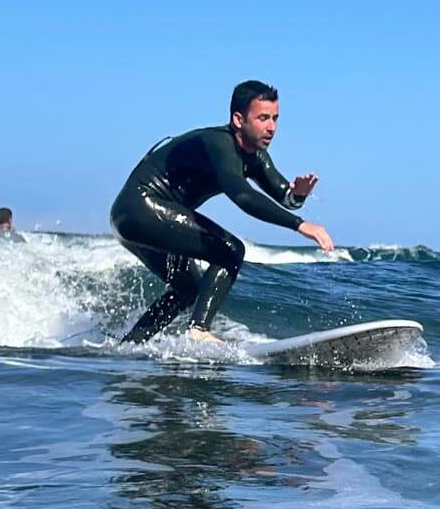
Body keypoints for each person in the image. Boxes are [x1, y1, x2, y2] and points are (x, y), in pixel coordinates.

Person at [110, 80, 334, 344]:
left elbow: (284, 195)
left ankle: (131, 344)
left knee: (188, 288)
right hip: (140, 208)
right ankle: (198, 331)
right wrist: (299, 224)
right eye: (263, 118)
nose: (271, 127)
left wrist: (298, 194)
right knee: (230, 250)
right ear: (238, 119)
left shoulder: (255, 156)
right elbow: (242, 195)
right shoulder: (220, 144)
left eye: (275, 118)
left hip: (130, 217)